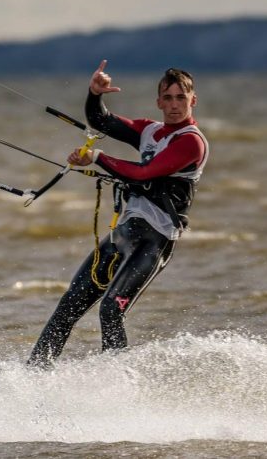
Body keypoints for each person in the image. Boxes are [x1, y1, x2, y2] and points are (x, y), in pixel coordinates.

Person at [27, 60, 209, 367]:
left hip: (154, 241)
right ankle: (34, 375)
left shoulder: (191, 142)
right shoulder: (150, 131)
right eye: (168, 98)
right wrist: (94, 94)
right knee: (69, 305)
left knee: (110, 309)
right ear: (159, 102)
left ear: (193, 100)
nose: (175, 105)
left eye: (181, 98)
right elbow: (102, 121)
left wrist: (96, 156)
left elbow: (144, 174)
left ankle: (117, 387)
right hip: (125, 233)